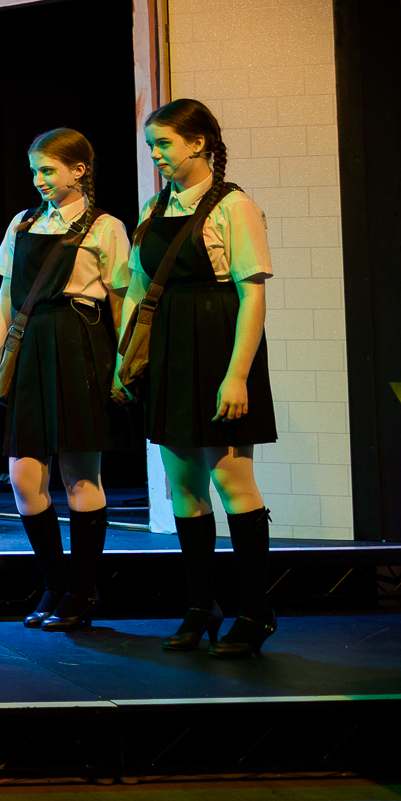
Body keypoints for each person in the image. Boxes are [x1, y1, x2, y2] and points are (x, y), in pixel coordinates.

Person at [114, 99, 278, 658]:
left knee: (234, 482)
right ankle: (200, 606)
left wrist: (237, 377)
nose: (155, 154)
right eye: (151, 145)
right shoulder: (153, 208)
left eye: (164, 143)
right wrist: (124, 358)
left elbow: (252, 296)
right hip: (169, 349)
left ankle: (255, 611)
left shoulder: (235, 206)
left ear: (199, 143)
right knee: (182, 486)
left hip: (217, 346)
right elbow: (139, 290)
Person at [0, 129, 131, 631]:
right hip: (30, 348)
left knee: (80, 474)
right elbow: (6, 296)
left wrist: (122, 365)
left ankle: (80, 592)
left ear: (78, 170)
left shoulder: (106, 226)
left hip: (78, 344)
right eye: (34, 171)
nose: (39, 180)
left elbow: (121, 302)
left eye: (48, 170)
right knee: (24, 478)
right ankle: (55, 583)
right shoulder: (23, 222)